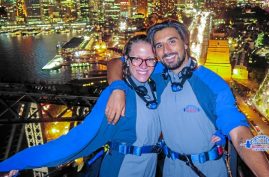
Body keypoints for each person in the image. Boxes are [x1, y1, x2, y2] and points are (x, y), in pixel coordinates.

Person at [105, 20, 269, 177]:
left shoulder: (211, 83)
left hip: (208, 170)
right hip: (170, 169)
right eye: (159, 45)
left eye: (172, 41)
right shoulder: (156, 72)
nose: (167, 50)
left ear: (185, 43)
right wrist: (117, 89)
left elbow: (239, 133)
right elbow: (116, 63)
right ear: (155, 52)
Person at [0, 35, 162, 177]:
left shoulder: (151, 85)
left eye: (149, 59)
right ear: (127, 60)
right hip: (122, 170)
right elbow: (74, 143)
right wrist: (13, 163)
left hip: (148, 168)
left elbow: (118, 62)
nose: (143, 65)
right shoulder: (115, 97)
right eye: (136, 59)